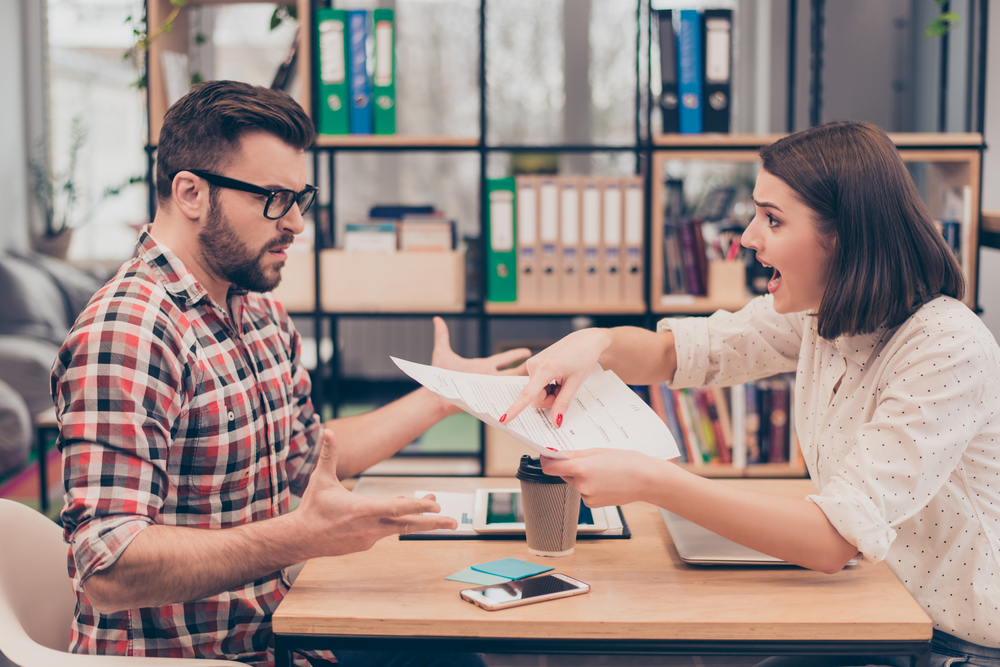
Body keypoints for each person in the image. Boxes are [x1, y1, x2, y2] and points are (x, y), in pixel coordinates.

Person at [51, 80, 529, 667]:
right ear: (191, 193)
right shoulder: (129, 331)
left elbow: (302, 457)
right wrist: (302, 537)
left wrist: (442, 396)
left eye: (300, 199)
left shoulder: (256, 309)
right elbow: (110, 567)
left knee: (453, 650)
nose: (297, 224)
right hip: (191, 657)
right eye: (274, 199)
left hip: (281, 633)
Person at [501, 121, 1000, 667]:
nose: (747, 237)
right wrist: (594, 342)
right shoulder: (822, 313)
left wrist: (651, 479)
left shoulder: (947, 346)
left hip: (959, 645)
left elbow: (834, 540)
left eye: (772, 219)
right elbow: (686, 352)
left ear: (844, 237)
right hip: (883, 612)